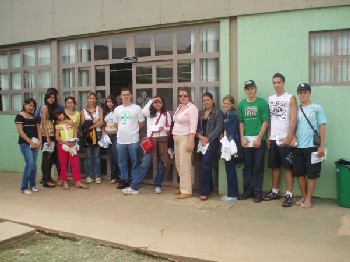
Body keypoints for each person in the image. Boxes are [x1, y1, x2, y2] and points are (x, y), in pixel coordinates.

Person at [263, 73, 297, 207]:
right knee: (274, 166)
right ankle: (275, 191)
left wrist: (290, 136)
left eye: (278, 82)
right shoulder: (270, 98)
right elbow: (271, 118)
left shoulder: (291, 98)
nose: (276, 85)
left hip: (285, 139)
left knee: (288, 168)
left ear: (283, 83)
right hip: (273, 138)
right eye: (274, 83)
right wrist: (269, 135)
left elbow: (294, 119)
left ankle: (289, 194)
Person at [126, 96, 171, 195]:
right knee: (145, 164)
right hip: (151, 141)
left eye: (159, 102)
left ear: (162, 103)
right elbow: (143, 111)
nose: (157, 104)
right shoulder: (150, 113)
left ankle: (158, 185)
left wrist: (163, 128)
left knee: (161, 165)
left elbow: (169, 128)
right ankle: (134, 187)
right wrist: (151, 100)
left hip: (162, 141)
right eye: (155, 102)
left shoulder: (166, 114)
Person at [293, 83, 327, 208]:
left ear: (309, 93)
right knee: (299, 173)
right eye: (300, 93)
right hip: (297, 147)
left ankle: (308, 198)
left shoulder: (317, 108)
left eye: (305, 92)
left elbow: (322, 126)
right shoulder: (296, 109)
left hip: (313, 146)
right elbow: (293, 126)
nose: (302, 95)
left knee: (312, 174)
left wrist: (321, 146)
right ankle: (303, 196)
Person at [238, 80, 269, 203]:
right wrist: (242, 137)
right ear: (245, 90)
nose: (250, 91)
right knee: (247, 167)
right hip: (246, 140)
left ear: (255, 89)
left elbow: (265, 121)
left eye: (251, 88)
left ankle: (257, 192)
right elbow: (241, 122)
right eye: (247, 89)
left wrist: (259, 137)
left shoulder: (262, 103)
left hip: (258, 140)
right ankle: (248, 191)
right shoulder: (242, 105)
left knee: (258, 167)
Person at [113, 88, 145, 193]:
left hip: (133, 139)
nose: (126, 96)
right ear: (121, 97)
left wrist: (133, 131)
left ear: (131, 96)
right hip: (121, 139)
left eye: (128, 94)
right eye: (124, 95)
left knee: (135, 161)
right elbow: (116, 124)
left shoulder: (137, 108)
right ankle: (124, 180)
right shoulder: (117, 109)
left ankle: (134, 181)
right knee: (121, 161)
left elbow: (141, 123)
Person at [196, 92, 223, 201]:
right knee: (204, 164)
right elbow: (196, 127)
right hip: (201, 142)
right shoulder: (201, 113)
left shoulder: (218, 112)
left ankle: (204, 191)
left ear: (212, 100)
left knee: (206, 164)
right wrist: (200, 137)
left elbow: (219, 128)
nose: (206, 102)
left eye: (208, 100)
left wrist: (208, 139)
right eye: (204, 100)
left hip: (212, 142)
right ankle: (210, 187)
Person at [173, 87, 198, 199]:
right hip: (176, 137)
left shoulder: (192, 108)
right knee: (178, 164)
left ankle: (187, 190)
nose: (182, 97)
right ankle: (183, 186)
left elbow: (193, 126)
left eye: (185, 95)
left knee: (185, 165)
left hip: (185, 138)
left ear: (189, 97)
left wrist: (191, 141)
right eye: (180, 95)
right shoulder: (179, 107)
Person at [54, 109, 88, 190]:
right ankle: (64, 180)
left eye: (60, 114)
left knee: (75, 163)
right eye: (57, 116)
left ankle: (77, 181)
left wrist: (74, 140)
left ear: (63, 113)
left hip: (73, 145)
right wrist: (65, 143)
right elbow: (57, 137)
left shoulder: (72, 122)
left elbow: (75, 132)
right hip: (62, 145)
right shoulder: (58, 125)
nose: (59, 117)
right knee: (63, 164)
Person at [15, 98, 42, 195]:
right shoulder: (19, 116)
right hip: (25, 144)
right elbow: (20, 132)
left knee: (34, 165)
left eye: (33, 106)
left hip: (35, 143)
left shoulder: (34, 117)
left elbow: (39, 130)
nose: (31, 107)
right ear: (25, 104)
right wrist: (30, 142)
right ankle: (24, 187)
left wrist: (40, 141)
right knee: (29, 163)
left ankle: (33, 185)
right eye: (29, 105)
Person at [221, 95, 240, 202]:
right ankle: (231, 193)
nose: (226, 105)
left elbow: (231, 132)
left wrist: (226, 144)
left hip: (230, 144)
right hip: (227, 143)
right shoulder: (227, 114)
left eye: (228, 103)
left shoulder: (233, 115)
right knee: (229, 169)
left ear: (232, 104)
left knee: (230, 169)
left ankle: (233, 195)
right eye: (224, 103)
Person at [81, 91, 104, 184]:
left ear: (96, 99)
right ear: (88, 99)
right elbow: (83, 124)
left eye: (94, 98)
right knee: (89, 156)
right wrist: (94, 122)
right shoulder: (83, 110)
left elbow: (101, 122)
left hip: (97, 134)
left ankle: (97, 176)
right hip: (88, 135)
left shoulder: (99, 109)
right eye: (90, 98)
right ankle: (89, 175)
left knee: (97, 156)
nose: (92, 100)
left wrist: (91, 125)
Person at [40, 90, 59, 188]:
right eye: (50, 97)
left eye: (53, 97)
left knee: (50, 158)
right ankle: (45, 180)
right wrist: (47, 137)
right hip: (46, 135)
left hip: (52, 135)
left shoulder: (52, 107)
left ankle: (47, 177)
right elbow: (43, 123)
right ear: (46, 98)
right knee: (46, 158)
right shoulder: (44, 107)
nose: (51, 99)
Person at [102, 95, 119, 184]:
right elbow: (103, 124)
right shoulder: (105, 112)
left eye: (111, 101)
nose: (109, 103)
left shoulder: (117, 111)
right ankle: (114, 177)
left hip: (116, 136)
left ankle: (121, 176)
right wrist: (103, 134)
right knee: (111, 157)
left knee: (117, 156)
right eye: (108, 101)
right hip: (108, 136)